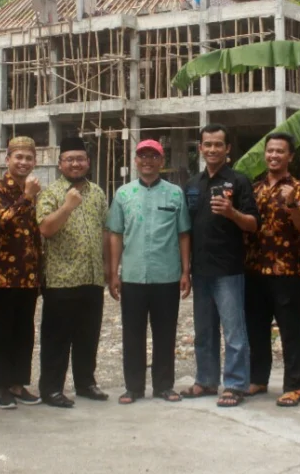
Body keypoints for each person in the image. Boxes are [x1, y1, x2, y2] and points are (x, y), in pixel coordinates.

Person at [106, 139, 192, 404]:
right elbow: (115, 234)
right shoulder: (123, 194)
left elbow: (183, 234)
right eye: (142, 156)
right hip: (133, 276)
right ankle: (133, 387)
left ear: (161, 161)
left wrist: (185, 271)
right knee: (133, 334)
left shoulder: (175, 194)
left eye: (153, 156)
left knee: (165, 333)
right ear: (135, 160)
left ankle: (164, 386)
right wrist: (113, 273)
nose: (147, 161)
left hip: (166, 276)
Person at [182, 124, 258, 408]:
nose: (212, 149)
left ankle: (236, 384)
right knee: (204, 331)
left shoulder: (239, 181)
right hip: (200, 270)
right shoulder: (192, 184)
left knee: (234, 331)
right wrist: (185, 270)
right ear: (200, 148)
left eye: (218, 145)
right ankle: (206, 380)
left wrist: (231, 212)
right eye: (208, 144)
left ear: (228, 149)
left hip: (229, 270)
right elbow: (185, 230)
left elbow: (253, 224)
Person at [36, 135, 109, 407]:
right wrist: (67, 206)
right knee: (57, 338)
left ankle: (86, 383)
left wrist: (108, 268)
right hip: (61, 280)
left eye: (80, 159)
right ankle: (51, 389)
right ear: (60, 164)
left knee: (88, 336)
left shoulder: (97, 192)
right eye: (69, 160)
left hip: (92, 277)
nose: (75, 164)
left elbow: (104, 230)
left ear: (88, 162)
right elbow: (45, 229)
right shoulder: (51, 193)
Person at [244, 132, 300, 407]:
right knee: (256, 329)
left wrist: (292, 203)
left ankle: (294, 386)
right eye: (270, 150)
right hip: (255, 269)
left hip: (287, 272)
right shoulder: (254, 188)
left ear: (290, 156)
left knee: (290, 331)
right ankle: (258, 379)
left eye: (280, 151)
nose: (274, 155)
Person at [0, 136, 43, 409]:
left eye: (28, 158)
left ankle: (19, 384)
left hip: (29, 274)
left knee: (25, 331)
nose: (23, 162)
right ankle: (2, 386)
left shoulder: (33, 189)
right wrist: (27, 196)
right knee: (4, 331)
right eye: (18, 157)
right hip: (3, 275)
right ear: (7, 159)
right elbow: (5, 221)